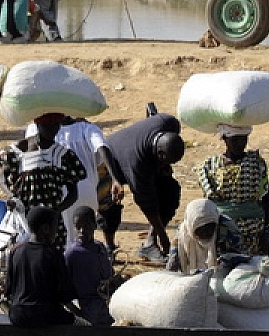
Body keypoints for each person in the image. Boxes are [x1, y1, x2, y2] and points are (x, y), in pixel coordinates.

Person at [103, 109, 185, 264]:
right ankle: (109, 247)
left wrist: (162, 169)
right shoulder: (138, 162)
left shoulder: (168, 122)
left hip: (140, 155)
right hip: (109, 165)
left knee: (170, 191)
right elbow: (147, 203)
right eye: (165, 161)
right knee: (110, 205)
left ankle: (149, 243)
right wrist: (164, 237)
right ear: (159, 154)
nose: (166, 166)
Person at [23, 114, 113, 247]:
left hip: (57, 192)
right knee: (84, 236)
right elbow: (102, 149)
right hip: (88, 191)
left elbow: (28, 152)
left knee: (64, 238)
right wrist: (115, 178)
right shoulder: (87, 128)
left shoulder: (37, 128)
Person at [0, 113, 88, 248]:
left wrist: (56, 212)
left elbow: (73, 194)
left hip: (51, 225)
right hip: (24, 218)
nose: (52, 130)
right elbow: (2, 178)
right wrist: (11, 196)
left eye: (55, 126)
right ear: (37, 125)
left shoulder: (62, 155)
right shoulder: (19, 150)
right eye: (47, 126)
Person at [194, 125, 269, 258]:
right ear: (224, 138)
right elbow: (207, 207)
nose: (239, 144)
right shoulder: (210, 166)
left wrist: (266, 232)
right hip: (221, 236)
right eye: (235, 140)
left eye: (243, 139)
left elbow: (266, 199)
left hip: (253, 234)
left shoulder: (256, 163)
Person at [6, 206, 76, 328]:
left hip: (18, 315)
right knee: (79, 323)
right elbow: (65, 294)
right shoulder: (53, 253)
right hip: (45, 315)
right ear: (45, 229)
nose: (56, 232)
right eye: (55, 227)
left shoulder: (15, 251)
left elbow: (9, 290)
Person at [64, 205, 115, 326]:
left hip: (106, 309)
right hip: (85, 312)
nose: (81, 231)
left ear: (95, 225)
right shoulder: (71, 254)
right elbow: (62, 291)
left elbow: (109, 275)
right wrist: (78, 314)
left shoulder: (100, 247)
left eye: (86, 226)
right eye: (78, 227)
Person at [166, 198, 242, 274]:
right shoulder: (182, 234)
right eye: (201, 230)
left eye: (209, 228)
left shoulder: (227, 229)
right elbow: (172, 265)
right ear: (191, 227)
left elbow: (236, 259)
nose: (206, 233)